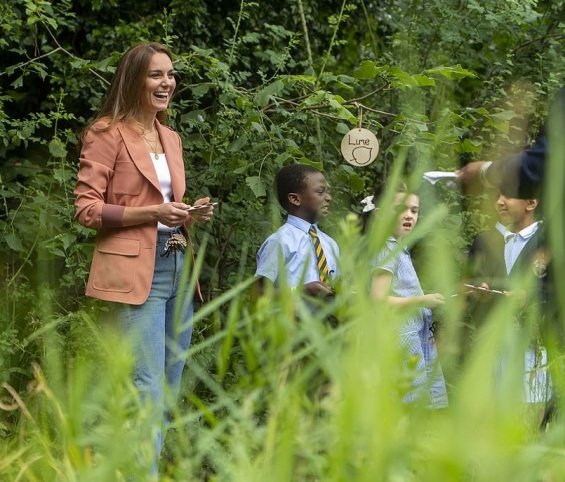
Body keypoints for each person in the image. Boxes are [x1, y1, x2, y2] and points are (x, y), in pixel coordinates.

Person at [74, 42, 214, 476]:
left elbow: (165, 201)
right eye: (156, 74)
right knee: (146, 388)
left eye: (170, 75)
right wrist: (153, 213)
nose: (166, 82)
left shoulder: (170, 136)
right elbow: (86, 209)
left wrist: (190, 211)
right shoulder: (105, 133)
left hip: (178, 267)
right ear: (134, 79)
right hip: (137, 275)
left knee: (169, 387)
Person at [469, 184, 551, 407]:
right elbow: (467, 285)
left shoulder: (550, 241)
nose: (499, 201)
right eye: (497, 195)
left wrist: (531, 297)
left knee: (530, 413)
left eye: (508, 195)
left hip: (534, 348)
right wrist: (479, 290)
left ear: (531, 202)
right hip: (490, 347)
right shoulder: (484, 241)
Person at [369, 186, 448, 408]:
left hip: (416, 337)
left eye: (414, 211)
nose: (409, 216)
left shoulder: (398, 248)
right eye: (400, 209)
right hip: (400, 340)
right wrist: (423, 300)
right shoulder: (386, 250)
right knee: (407, 406)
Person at [255, 164, 339, 297]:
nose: (328, 197)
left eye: (327, 192)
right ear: (295, 199)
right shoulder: (280, 242)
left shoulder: (330, 244)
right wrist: (301, 291)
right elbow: (258, 295)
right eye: (320, 191)